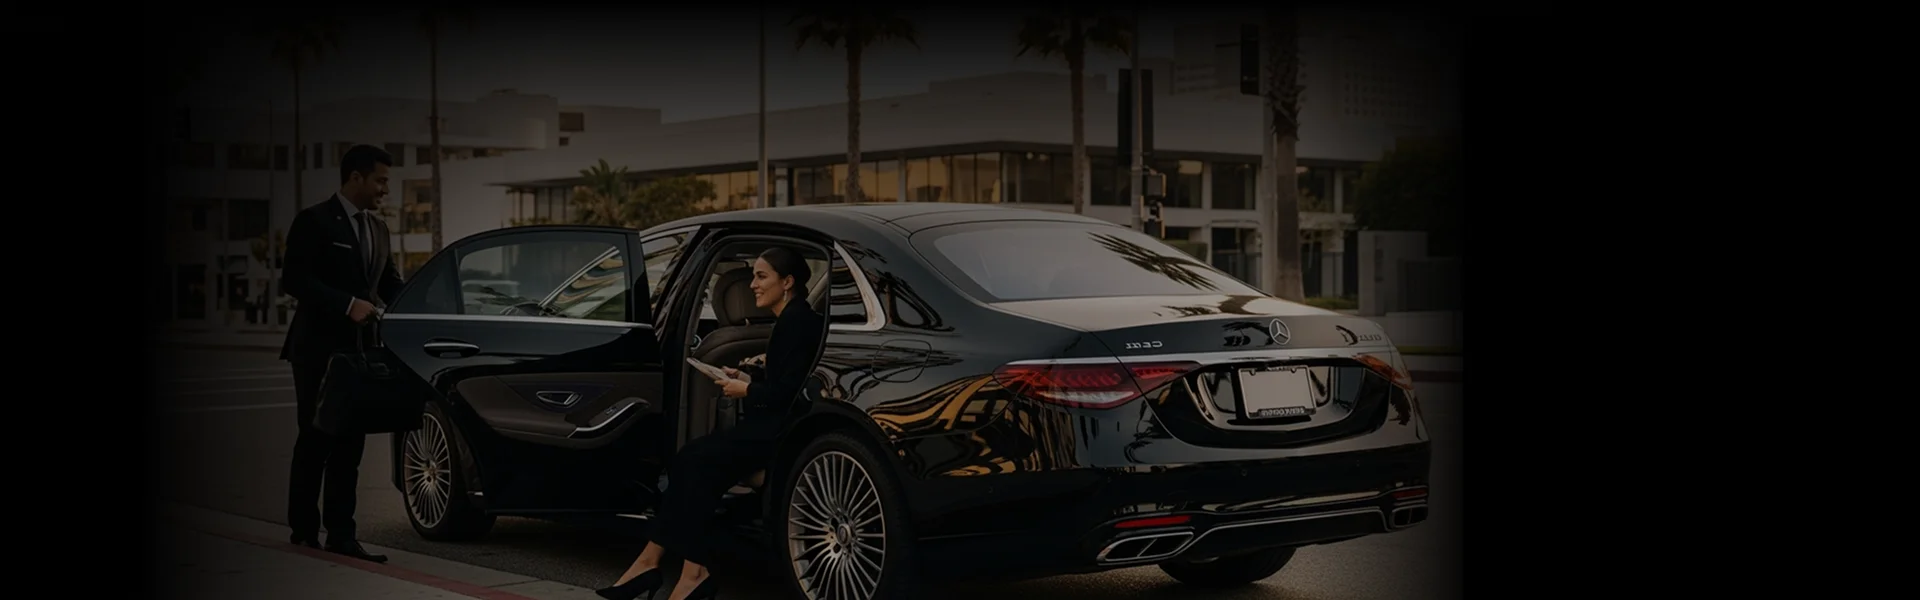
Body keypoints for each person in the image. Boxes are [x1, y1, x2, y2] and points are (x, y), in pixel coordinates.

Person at [597, 246, 827, 600]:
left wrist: (746, 390)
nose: (752, 284)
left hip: (779, 432)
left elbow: (787, 394)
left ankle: (663, 568)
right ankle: (674, 569)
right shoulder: (795, 319)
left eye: (761, 276)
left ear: (787, 282)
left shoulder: (797, 323)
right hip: (773, 426)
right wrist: (748, 375)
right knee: (695, 463)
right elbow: (787, 380)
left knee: (693, 461)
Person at [278, 144, 403, 563]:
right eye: (380, 180)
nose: (385, 189)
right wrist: (347, 304)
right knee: (316, 438)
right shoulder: (313, 220)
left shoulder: (379, 229)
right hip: (316, 351)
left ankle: (342, 535)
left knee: (351, 445)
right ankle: (303, 528)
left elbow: (389, 285)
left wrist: (425, 308)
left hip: (359, 354)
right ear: (355, 178)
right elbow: (294, 279)